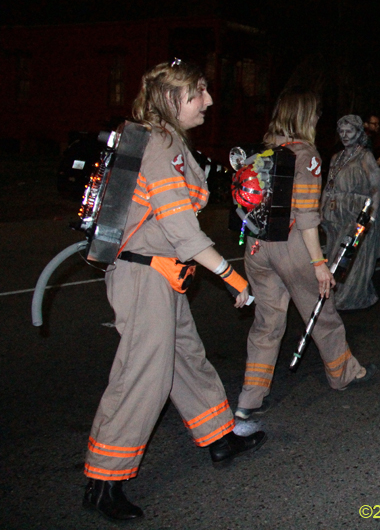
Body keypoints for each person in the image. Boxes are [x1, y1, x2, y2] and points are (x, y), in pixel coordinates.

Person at [82, 60, 265, 522]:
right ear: (171, 100)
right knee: (143, 376)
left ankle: (220, 437)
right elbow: (183, 231)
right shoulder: (161, 146)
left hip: (161, 274)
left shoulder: (165, 141)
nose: (208, 99)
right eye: (198, 92)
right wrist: (234, 279)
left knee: (184, 356)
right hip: (144, 276)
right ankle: (104, 481)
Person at [235, 91, 374, 421]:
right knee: (321, 310)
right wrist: (319, 263)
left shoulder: (264, 150)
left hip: (256, 246)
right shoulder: (306, 155)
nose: (316, 121)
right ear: (303, 117)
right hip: (291, 245)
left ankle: (250, 397)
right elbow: (308, 215)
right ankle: (344, 373)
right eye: (313, 115)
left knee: (267, 323)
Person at [321, 114, 380, 310]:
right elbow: (328, 187)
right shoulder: (336, 158)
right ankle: (337, 293)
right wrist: (322, 210)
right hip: (336, 214)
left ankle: (350, 297)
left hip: (356, 213)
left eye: (350, 131)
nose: (345, 135)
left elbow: (375, 188)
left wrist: (370, 216)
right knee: (334, 255)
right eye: (342, 132)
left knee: (352, 258)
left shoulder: (365, 156)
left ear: (358, 133)